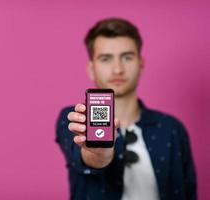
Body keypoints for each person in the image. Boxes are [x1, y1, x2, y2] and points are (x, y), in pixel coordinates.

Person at [56, 18, 197, 200]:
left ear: (141, 64)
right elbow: (88, 158)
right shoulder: (74, 117)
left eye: (127, 57)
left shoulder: (172, 129)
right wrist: (100, 153)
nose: (117, 69)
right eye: (106, 59)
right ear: (91, 68)